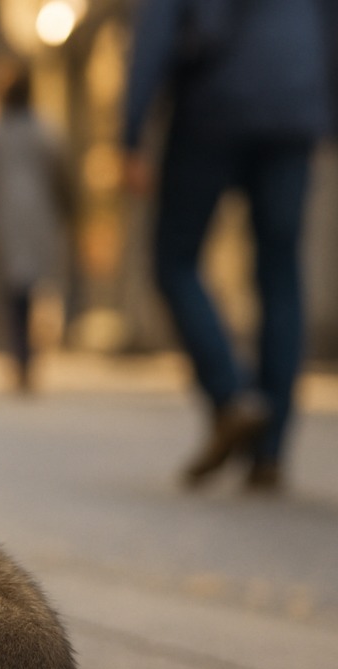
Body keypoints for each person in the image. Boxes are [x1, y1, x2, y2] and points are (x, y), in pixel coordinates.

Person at [123, 0, 333, 492]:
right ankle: (270, 450)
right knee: (280, 273)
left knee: (174, 259)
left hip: (212, 103)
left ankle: (233, 395)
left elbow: (156, 30)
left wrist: (131, 133)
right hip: (295, 107)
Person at [0, 65, 71, 393]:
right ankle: (28, 359)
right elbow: (62, 174)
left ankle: (19, 357)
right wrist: (67, 213)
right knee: (34, 291)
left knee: (11, 294)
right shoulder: (46, 129)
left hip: (4, 219)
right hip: (39, 219)